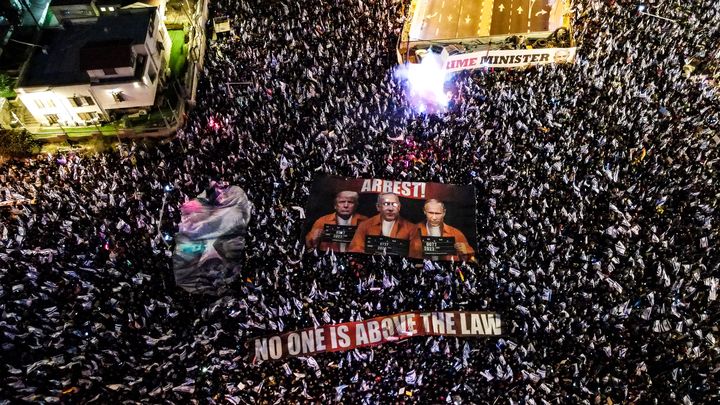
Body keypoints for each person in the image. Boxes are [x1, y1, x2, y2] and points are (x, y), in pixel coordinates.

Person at [348, 193, 418, 254]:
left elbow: (415, 254)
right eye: (386, 204)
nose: (390, 208)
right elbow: (355, 249)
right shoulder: (365, 225)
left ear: (399, 207)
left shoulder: (411, 228)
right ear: (378, 207)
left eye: (394, 204)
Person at [409, 199, 475, 261]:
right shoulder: (413, 230)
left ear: (444, 213)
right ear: (424, 211)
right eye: (430, 213)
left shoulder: (456, 234)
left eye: (438, 213)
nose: (434, 218)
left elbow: (472, 260)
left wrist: (465, 253)